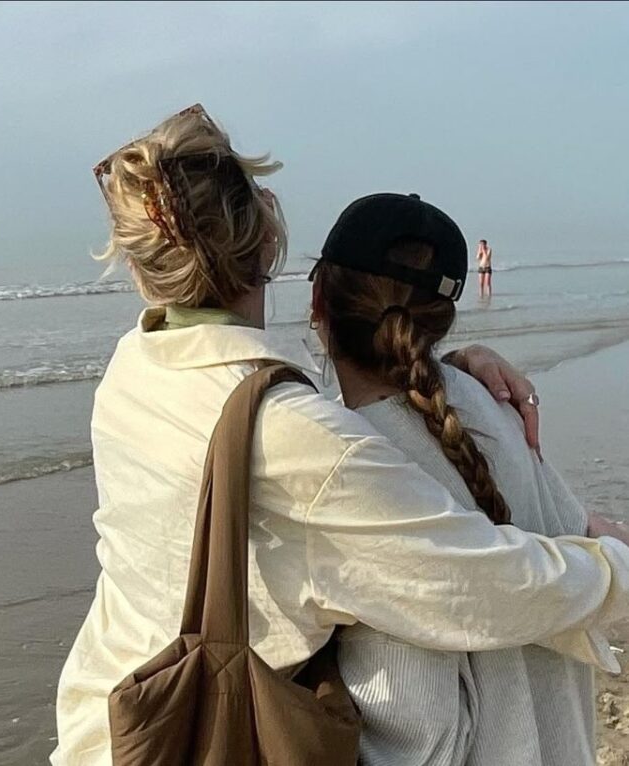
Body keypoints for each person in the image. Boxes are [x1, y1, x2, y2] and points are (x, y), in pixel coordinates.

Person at [52, 106, 629, 765]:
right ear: (267, 249)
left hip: (115, 720)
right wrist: (615, 567)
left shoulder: (132, 371)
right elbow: (480, 586)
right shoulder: (310, 441)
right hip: (206, 737)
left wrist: (446, 376)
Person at [308, 192, 629, 766]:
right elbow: (585, 529)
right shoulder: (491, 402)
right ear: (441, 319)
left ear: (317, 303)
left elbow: (418, 717)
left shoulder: (345, 463)